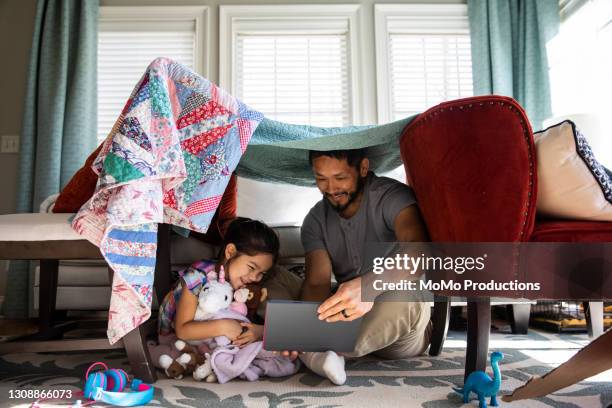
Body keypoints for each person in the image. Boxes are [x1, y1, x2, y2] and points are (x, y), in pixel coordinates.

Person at [261, 149, 433, 385]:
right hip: (344, 312)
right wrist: (311, 314)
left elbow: (419, 250)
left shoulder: (391, 196)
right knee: (272, 277)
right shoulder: (315, 219)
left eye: (340, 178)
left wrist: (368, 288)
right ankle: (311, 344)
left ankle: (302, 345)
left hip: (393, 322)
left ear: (362, 168)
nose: (330, 188)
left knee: (407, 296)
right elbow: (317, 284)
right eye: (321, 179)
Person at [158, 217, 280, 348]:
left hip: (215, 341)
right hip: (178, 339)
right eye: (251, 267)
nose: (255, 277)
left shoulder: (245, 286)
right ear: (230, 252)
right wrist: (223, 326)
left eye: (262, 273)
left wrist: (259, 331)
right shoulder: (198, 274)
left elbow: (243, 319)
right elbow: (182, 331)